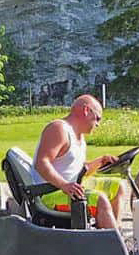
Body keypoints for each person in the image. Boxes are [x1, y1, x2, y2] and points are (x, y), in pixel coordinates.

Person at [32, 94, 128, 229]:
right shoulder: (58, 129)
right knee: (100, 200)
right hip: (50, 193)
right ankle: (114, 247)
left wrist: (101, 161)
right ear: (86, 110)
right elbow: (41, 163)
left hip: (71, 188)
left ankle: (114, 232)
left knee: (118, 187)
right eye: (97, 118)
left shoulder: (79, 137)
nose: (98, 124)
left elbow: (78, 170)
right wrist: (64, 185)